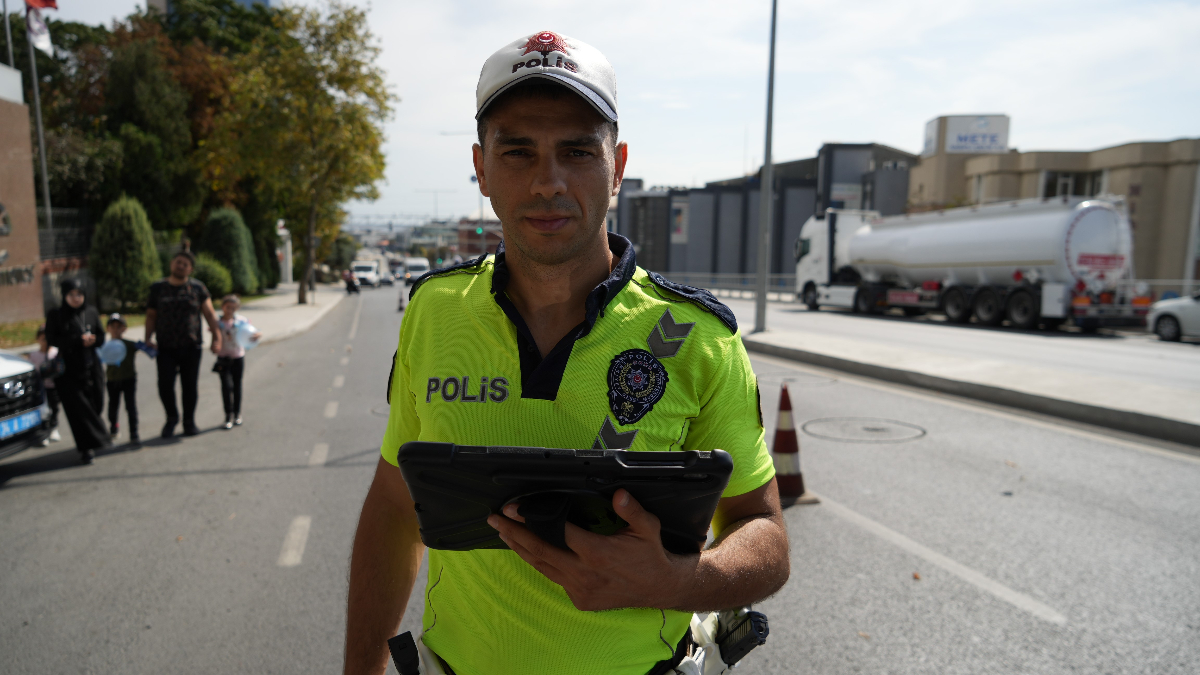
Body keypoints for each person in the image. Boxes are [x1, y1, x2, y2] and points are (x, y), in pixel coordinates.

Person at [344, 31, 790, 675]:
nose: (547, 182)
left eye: (577, 151)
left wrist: (674, 582)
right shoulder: (434, 311)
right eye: (517, 151)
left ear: (618, 166)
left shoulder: (698, 337)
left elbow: (766, 537)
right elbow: (393, 509)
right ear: (481, 168)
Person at [144, 249, 222, 438]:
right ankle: (171, 418)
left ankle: (189, 421)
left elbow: (210, 314)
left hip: (191, 346)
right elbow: (151, 315)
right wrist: (148, 338)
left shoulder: (198, 288)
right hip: (165, 346)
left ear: (191, 269)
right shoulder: (158, 288)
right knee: (165, 385)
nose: (181, 265)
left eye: (185, 264)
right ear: (172, 263)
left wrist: (217, 337)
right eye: (178, 262)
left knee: (189, 386)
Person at [44, 278, 110, 464]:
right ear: (65, 296)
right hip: (68, 371)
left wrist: (93, 340)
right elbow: (52, 340)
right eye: (72, 295)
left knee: (96, 403)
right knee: (79, 412)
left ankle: (96, 438)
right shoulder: (56, 315)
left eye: (79, 294)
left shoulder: (91, 311)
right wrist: (76, 340)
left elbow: (102, 336)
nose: (76, 298)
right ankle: (87, 448)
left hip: (92, 366)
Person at [214, 295, 261, 430]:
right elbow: (214, 337)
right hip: (223, 358)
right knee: (226, 387)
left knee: (237, 386)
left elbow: (254, 332)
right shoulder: (218, 322)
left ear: (237, 308)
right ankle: (227, 415)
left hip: (238, 357)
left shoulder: (242, 321)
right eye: (228, 307)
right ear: (223, 307)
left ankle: (237, 414)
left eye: (233, 308)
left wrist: (258, 334)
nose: (230, 310)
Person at [103, 314, 141, 449]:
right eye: (112, 327)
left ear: (124, 328)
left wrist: (149, 345)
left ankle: (134, 432)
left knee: (130, 406)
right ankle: (114, 427)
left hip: (129, 379)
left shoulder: (130, 344)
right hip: (112, 380)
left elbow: (147, 348)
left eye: (119, 327)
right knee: (113, 406)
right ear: (108, 328)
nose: (115, 329)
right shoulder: (105, 346)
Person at [25, 325, 62, 445]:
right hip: (41, 389)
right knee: (43, 411)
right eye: (42, 338)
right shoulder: (34, 355)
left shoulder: (55, 353)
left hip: (54, 387)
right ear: (38, 339)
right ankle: (44, 432)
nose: (45, 341)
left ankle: (54, 428)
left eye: (47, 338)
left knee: (54, 409)